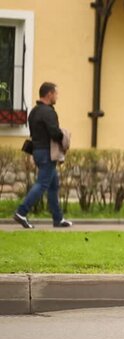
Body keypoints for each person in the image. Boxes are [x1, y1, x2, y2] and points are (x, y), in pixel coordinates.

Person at [13, 82, 72, 229]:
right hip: (47, 153)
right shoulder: (48, 112)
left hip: (38, 151)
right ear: (49, 94)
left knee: (53, 185)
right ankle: (21, 212)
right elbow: (54, 132)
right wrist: (64, 135)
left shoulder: (34, 111)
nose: (57, 97)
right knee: (42, 184)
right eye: (56, 94)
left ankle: (58, 219)